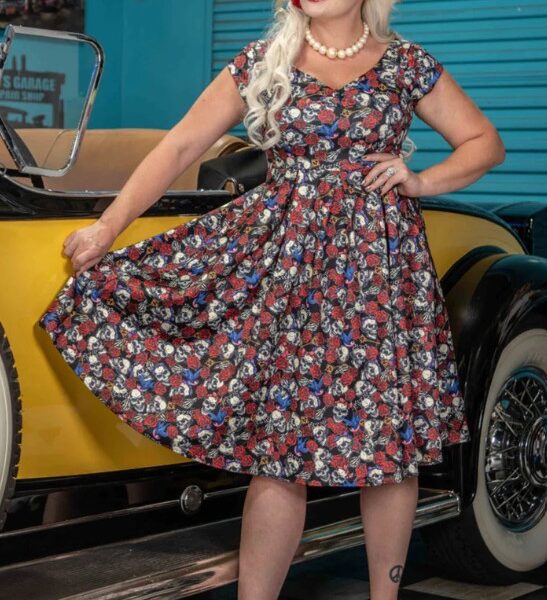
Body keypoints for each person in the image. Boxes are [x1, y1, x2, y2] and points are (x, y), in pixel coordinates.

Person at [38, 0, 505, 598]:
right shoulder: (265, 60)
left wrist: (420, 181)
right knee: (281, 451)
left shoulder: (404, 63)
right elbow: (180, 146)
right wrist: (108, 227)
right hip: (287, 272)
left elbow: (484, 143)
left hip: (380, 275)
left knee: (387, 449)